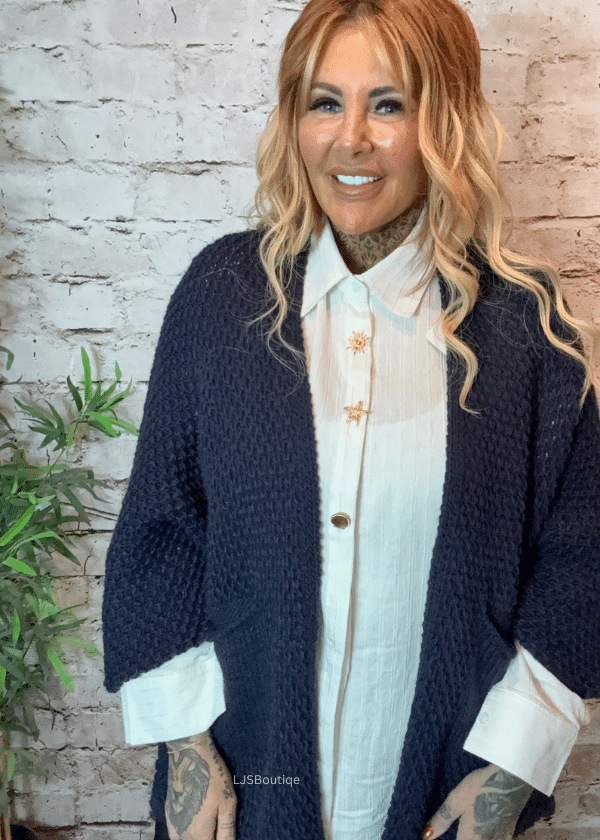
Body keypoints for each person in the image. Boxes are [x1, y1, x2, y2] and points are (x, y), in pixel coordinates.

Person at [101, 1, 600, 839]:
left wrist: (510, 769)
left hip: (446, 798)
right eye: (325, 102)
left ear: (445, 121)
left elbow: (581, 560)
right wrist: (187, 748)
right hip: (246, 794)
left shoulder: (526, 326)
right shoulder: (223, 298)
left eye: (390, 104)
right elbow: (163, 530)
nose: (351, 139)